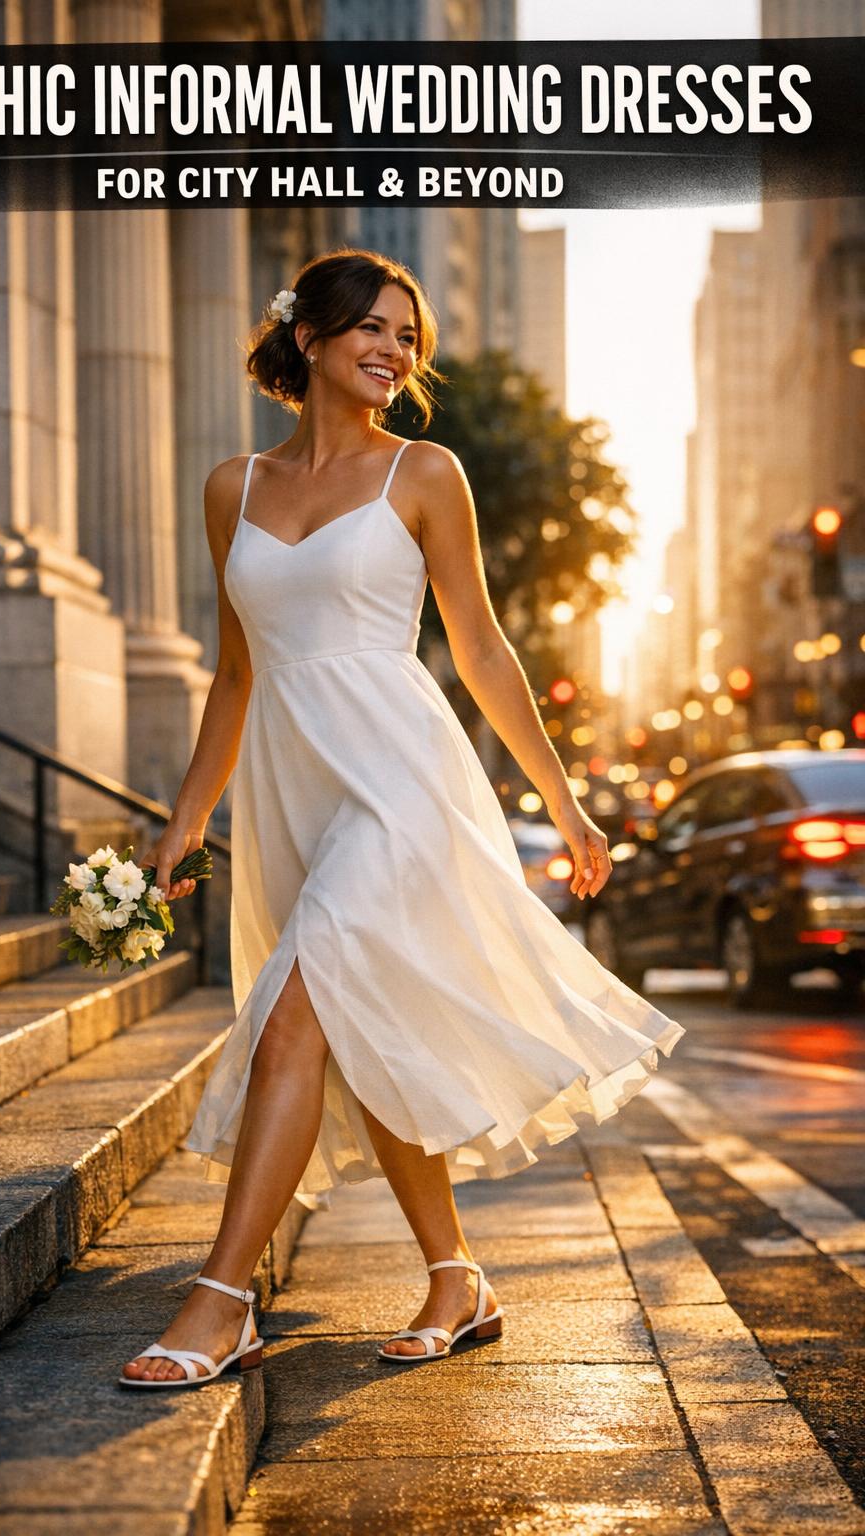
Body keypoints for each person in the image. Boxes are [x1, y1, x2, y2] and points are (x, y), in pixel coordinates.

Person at [119, 248, 685, 1389]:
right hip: (297, 786)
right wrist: (182, 820)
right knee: (360, 1032)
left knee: (294, 1021)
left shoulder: (423, 472)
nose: (393, 350)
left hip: (402, 786)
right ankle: (455, 1275)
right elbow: (236, 675)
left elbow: (478, 647)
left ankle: (220, 1298)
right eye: (372, 328)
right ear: (311, 339)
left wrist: (565, 802)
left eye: (407, 335)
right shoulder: (231, 486)